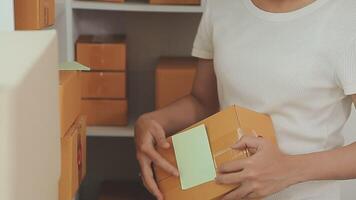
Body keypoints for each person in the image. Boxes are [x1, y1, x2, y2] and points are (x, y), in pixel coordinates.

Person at [134, 0, 356, 199]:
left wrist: (288, 169)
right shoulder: (221, 6)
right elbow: (203, 101)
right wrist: (153, 120)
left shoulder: (346, 18)